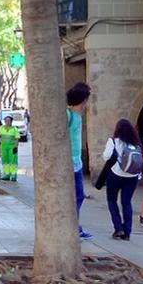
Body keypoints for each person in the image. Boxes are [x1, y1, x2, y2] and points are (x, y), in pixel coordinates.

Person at [102, 119, 142, 239]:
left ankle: (118, 228)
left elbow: (106, 156)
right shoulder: (136, 142)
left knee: (112, 200)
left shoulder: (114, 141)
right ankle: (127, 231)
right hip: (132, 176)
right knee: (126, 202)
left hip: (116, 174)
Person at [66, 82, 92, 240]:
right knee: (77, 196)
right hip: (70, 162)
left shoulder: (77, 116)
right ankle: (73, 226)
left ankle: (74, 225)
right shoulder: (68, 115)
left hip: (77, 162)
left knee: (78, 195)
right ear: (83, 100)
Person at [0, 115, 19, 181]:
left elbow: (16, 139)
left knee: (13, 161)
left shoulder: (14, 129)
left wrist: (15, 147)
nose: (7, 122)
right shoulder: (1, 128)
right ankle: (7, 174)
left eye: (9, 120)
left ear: (11, 121)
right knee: (5, 161)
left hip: (12, 147)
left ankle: (13, 175)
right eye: (6, 121)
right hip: (3, 147)